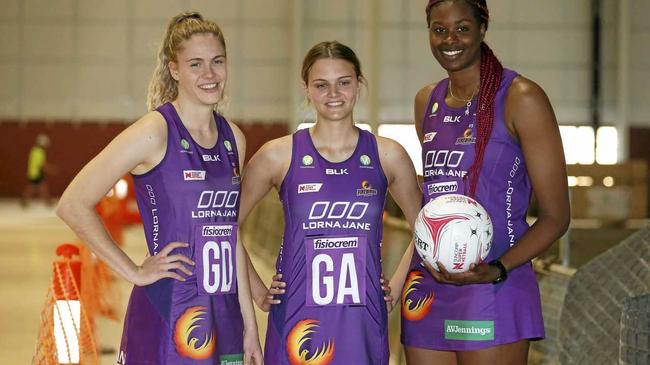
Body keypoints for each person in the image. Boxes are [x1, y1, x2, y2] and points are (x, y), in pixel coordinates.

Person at [56, 12, 263, 365]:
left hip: (224, 314)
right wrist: (134, 271)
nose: (209, 74)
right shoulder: (155, 131)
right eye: (195, 64)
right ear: (174, 69)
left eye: (217, 62)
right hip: (169, 312)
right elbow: (73, 203)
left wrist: (250, 327)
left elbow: (230, 236)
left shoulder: (235, 139)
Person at [390, 1, 571, 364]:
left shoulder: (521, 98)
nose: (449, 39)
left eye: (462, 28)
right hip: (428, 285)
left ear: (483, 27)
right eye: (439, 30)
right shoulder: (427, 100)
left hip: (493, 283)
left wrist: (499, 267)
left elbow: (556, 216)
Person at [238, 41, 422, 364]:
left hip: (363, 323)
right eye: (321, 85)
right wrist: (257, 291)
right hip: (296, 322)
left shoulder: (388, 155)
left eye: (344, 82)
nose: (333, 94)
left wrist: (393, 289)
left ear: (359, 84)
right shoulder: (277, 155)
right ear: (306, 89)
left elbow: (427, 230)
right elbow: (225, 227)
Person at [22, 133, 55, 207]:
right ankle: (47, 202)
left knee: (33, 188)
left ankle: (24, 200)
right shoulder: (40, 152)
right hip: (36, 173)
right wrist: (51, 169)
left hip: (32, 172)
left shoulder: (34, 150)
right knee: (41, 187)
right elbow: (42, 164)